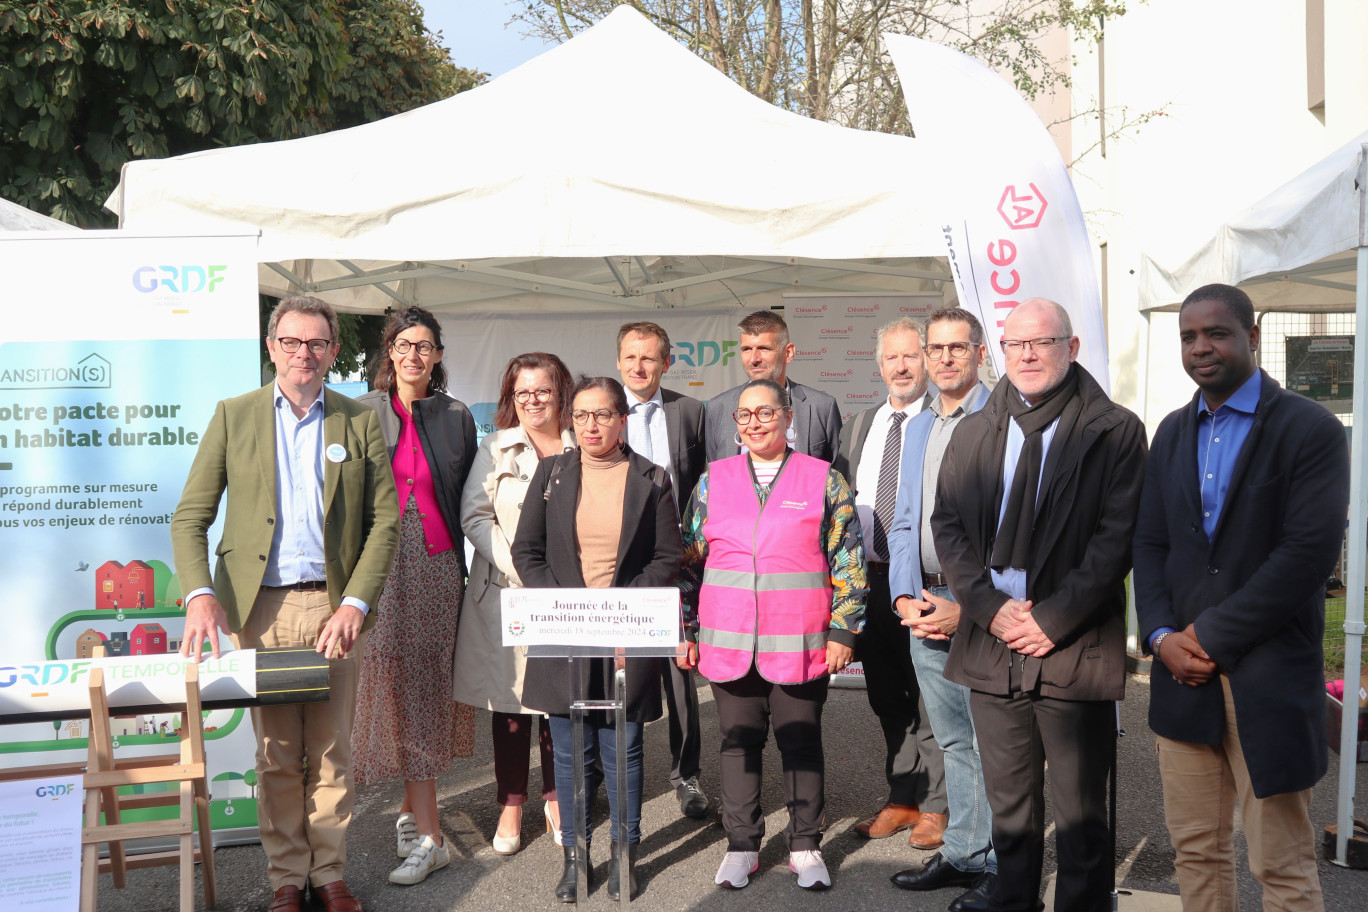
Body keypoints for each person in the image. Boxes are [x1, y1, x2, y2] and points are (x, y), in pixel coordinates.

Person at [171, 295, 399, 912]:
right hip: (260, 613)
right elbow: (191, 517)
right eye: (293, 341)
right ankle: (285, 880)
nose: (305, 353)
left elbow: (385, 521)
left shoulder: (357, 421)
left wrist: (355, 603)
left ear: (332, 351)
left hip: (332, 611)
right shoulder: (234, 415)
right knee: (275, 754)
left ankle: (329, 873)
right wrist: (198, 595)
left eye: (318, 343)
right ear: (272, 347)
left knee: (331, 750)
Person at [1133, 284, 1347, 912]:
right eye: (1188, 336)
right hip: (1182, 680)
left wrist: (1206, 637)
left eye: (1217, 333)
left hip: (1269, 678)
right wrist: (1158, 637)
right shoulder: (1171, 433)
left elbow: (1306, 555)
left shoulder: (1310, 429)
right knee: (1196, 854)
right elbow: (1149, 546)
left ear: (1253, 338)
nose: (1201, 348)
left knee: (1280, 865)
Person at [932, 298, 1146, 912]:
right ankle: (1013, 902)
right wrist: (988, 607)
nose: (1026, 355)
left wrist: (1051, 620)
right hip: (991, 642)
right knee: (1012, 810)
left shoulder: (1114, 430)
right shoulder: (976, 427)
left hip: (1073, 645)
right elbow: (948, 526)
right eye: (1015, 344)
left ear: (1071, 348)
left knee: (1081, 814)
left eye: (1042, 343)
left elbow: (1116, 538)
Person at [680, 378, 867, 892]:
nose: (755, 423)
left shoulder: (824, 480)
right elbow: (689, 564)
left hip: (801, 642)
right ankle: (741, 845)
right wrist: (685, 630)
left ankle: (805, 844)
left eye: (766, 413)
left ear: (789, 418)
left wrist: (844, 632)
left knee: (800, 742)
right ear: (735, 425)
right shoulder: (711, 482)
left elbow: (848, 560)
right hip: (728, 641)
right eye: (744, 415)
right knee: (737, 744)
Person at [511, 376, 683, 903]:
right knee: (567, 752)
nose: (590, 425)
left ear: (621, 419)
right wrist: (570, 606)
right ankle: (575, 858)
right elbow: (528, 554)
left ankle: (625, 855)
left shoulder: (652, 478)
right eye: (581, 415)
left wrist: (617, 606)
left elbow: (667, 558)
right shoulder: (551, 473)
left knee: (623, 748)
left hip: (626, 633)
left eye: (602, 414)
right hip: (565, 633)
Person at [351, 306, 478, 885]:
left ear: (438, 355)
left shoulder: (455, 417)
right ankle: (413, 812)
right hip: (376, 567)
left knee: (424, 686)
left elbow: (467, 495)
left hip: (434, 566)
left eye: (424, 345)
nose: (413, 355)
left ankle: (430, 833)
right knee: (391, 682)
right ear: (388, 352)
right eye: (403, 344)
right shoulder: (361, 412)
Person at [887, 308, 998, 911]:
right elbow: (904, 519)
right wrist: (903, 595)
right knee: (954, 739)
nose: (946, 358)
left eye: (959, 348)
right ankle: (963, 851)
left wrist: (971, 609)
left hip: (979, 610)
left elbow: (1010, 533)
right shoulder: (919, 425)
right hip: (923, 604)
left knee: (993, 741)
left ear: (979, 354)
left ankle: (1002, 863)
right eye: (937, 349)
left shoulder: (1003, 421)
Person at [832, 317, 948, 848]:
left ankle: (940, 807)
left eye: (911, 356)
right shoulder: (860, 425)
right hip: (870, 584)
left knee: (934, 697)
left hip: (925, 585)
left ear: (926, 360)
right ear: (879, 367)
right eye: (891, 358)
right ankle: (902, 798)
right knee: (887, 697)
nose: (902, 366)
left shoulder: (947, 422)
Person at [453, 352, 575, 854]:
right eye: (522, 392)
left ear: (560, 394)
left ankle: (556, 797)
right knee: (510, 704)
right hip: (506, 592)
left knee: (557, 701)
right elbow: (475, 516)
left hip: (567, 596)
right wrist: (519, 565)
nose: (532, 401)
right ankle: (510, 802)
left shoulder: (582, 444)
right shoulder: (495, 447)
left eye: (542, 390)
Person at [615, 320, 710, 820]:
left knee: (681, 674)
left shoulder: (691, 412)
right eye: (631, 357)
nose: (639, 366)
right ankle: (615, 776)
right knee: (617, 674)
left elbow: (705, 483)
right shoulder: (602, 412)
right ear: (618, 362)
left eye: (649, 357)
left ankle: (687, 774)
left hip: (677, 563)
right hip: (618, 564)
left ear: (667, 362)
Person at [704, 310, 841, 463]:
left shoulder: (821, 407)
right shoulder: (718, 408)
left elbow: (835, 474)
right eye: (747, 349)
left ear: (788, 353)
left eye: (764, 348)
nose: (754, 359)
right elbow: (715, 476)